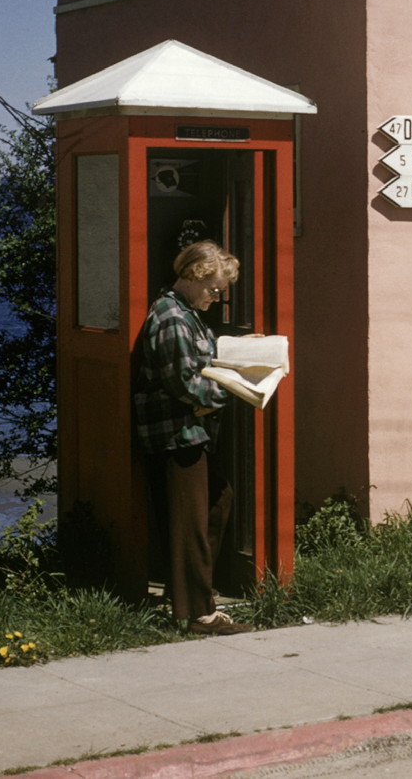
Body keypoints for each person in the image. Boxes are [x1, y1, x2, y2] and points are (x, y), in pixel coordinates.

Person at [133, 239, 254, 634]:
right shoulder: (171, 318)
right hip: (174, 435)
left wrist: (239, 352)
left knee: (217, 503)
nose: (218, 298)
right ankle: (198, 614)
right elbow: (187, 385)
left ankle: (185, 594)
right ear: (191, 277)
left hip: (191, 431)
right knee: (190, 524)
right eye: (214, 289)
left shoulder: (186, 312)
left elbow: (202, 360)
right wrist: (238, 389)